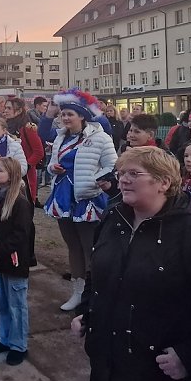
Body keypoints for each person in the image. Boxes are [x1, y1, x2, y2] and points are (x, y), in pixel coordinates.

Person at [69, 146, 191, 381]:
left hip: (162, 377)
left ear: (164, 182)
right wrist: (86, 312)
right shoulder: (114, 217)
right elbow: (98, 273)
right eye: (120, 174)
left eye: (133, 174)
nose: (122, 180)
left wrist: (190, 356)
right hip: (108, 369)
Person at [40, 89, 117, 312]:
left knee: (89, 248)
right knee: (72, 246)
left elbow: (112, 165)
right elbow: (51, 163)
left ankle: (95, 295)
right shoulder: (60, 137)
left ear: (82, 115)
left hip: (88, 197)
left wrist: (95, 180)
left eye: (70, 114)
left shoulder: (100, 137)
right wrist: (52, 168)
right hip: (63, 195)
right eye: (63, 114)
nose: (65, 118)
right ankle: (77, 292)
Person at [0, 156, 35, 365]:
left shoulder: (20, 202)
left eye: (0, 170)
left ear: (11, 175)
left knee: (17, 305)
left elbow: (20, 235)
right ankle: (5, 338)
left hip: (13, 261)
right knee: (3, 304)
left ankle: (19, 345)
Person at [4, 97, 45, 203]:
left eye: (9, 108)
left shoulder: (27, 127)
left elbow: (39, 152)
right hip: (7, 172)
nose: (5, 110)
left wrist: (25, 166)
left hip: (24, 175)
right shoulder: (4, 126)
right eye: (5, 108)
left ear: (19, 110)